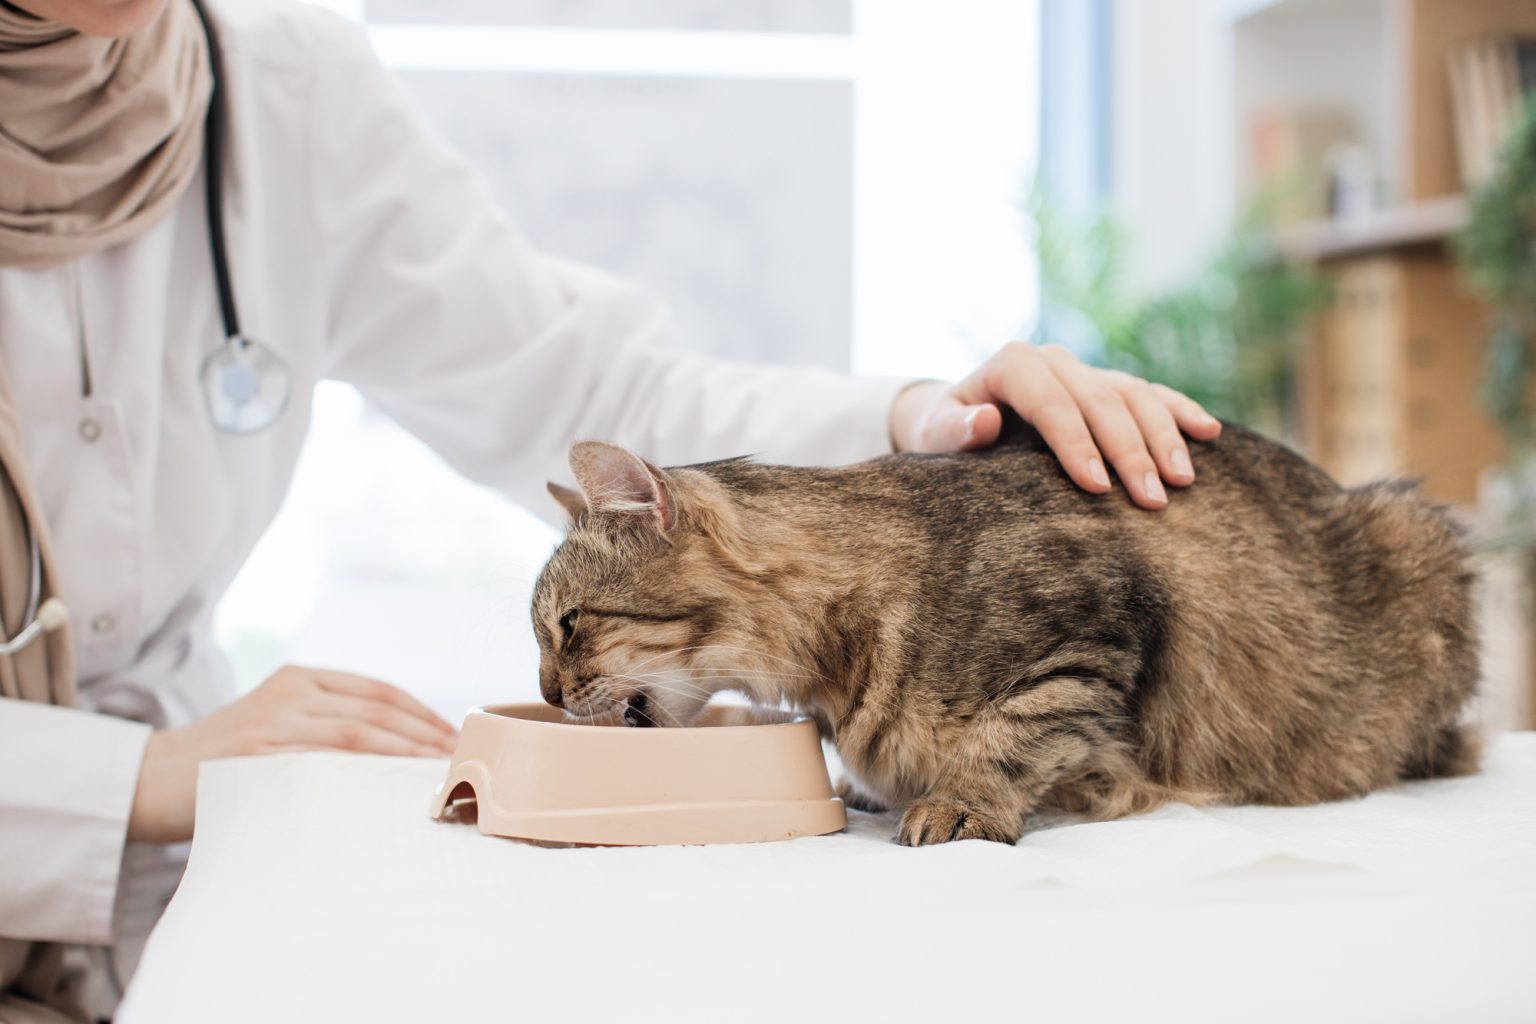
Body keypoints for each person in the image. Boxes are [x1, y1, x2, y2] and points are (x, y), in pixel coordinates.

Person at [0, 0, 1222, 1015]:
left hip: (166, 905)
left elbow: (596, 394)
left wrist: (925, 424)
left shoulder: (274, 83)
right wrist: (143, 775)